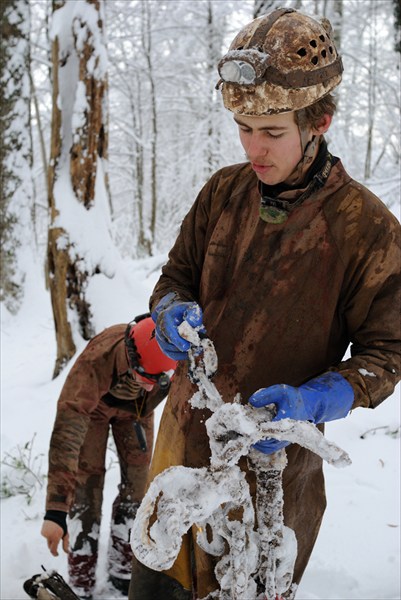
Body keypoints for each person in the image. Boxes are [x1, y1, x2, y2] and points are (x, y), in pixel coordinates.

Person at [128, 7, 401, 600]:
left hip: (273, 484)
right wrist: (171, 308)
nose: (254, 147)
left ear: (319, 121)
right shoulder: (224, 193)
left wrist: (319, 398)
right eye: (243, 127)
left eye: (272, 131)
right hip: (181, 451)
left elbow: (387, 353)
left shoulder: (366, 227)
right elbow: (176, 274)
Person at [41, 315, 177, 599]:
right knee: (86, 488)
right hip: (94, 409)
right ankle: (81, 577)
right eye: (146, 377)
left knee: (138, 488)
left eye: (158, 380)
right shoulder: (93, 364)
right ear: (130, 358)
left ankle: (122, 570)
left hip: (136, 412)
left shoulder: (173, 350)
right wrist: (55, 510)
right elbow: (67, 437)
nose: (152, 386)